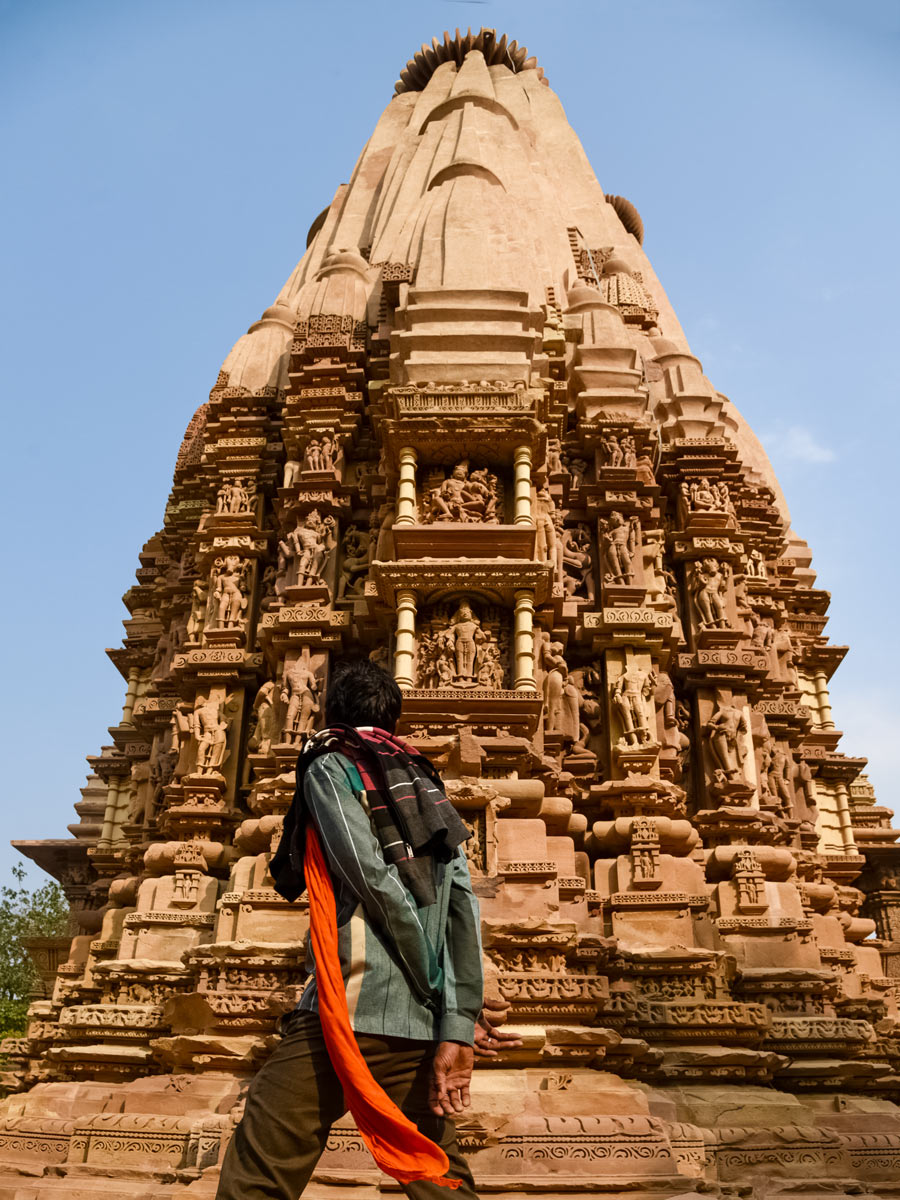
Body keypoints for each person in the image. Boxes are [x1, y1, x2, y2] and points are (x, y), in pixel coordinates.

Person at [216, 659, 519, 1200]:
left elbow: (370, 875)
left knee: (258, 1168)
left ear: (329, 714)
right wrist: (455, 1016)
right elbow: (462, 907)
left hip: (350, 1005)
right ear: (393, 720)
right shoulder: (422, 779)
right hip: (419, 1025)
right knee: (435, 1172)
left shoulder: (329, 763)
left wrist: (431, 983)